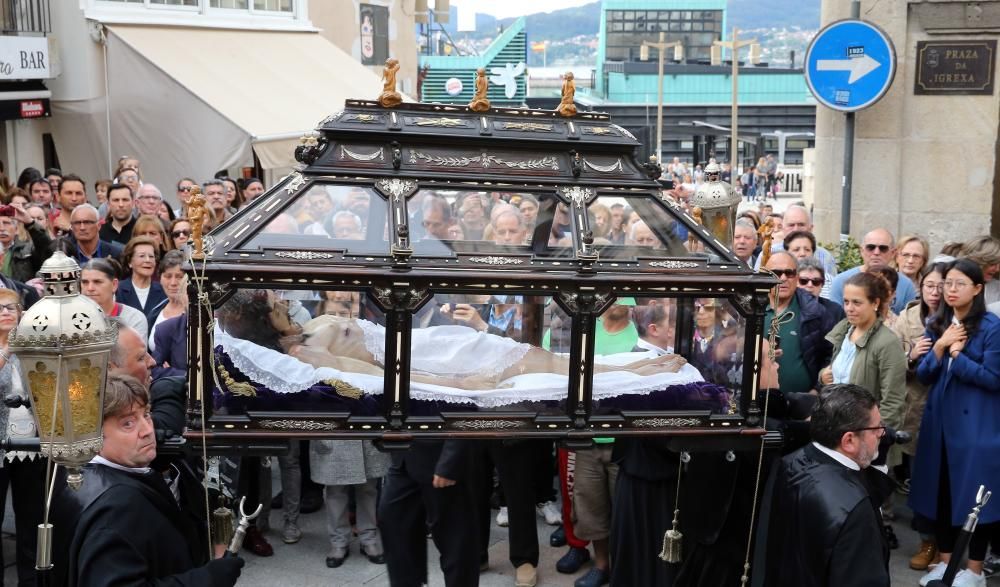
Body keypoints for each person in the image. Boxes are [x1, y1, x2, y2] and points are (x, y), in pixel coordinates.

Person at [50, 374, 245, 586]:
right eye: (128, 424)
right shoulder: (117, 507)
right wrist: (207, 579)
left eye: (147, 414)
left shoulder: (77, 474)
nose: (147, 430)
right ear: (92, 435)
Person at [910, 258, 1000, 587]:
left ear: (977, 289)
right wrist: (940, 347)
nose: (951, 290)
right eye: (947, 283)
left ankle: (974, 570)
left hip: (977, 426)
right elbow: (923, 375)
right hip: (940, 425)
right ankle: (946, 563)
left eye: (960, 283)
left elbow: (994, 378)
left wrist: (959, 357)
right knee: (941, 493)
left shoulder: (992, 327)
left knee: (976, 499)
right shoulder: (938, 323)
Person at [763, 384, 892, 586]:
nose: (882, 434)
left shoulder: (789, 463)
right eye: (876, 428)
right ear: (849, 440)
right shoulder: (856, 508)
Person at [890, 262, 947, 571]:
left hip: (948, 410)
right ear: (920, 288)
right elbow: (893, 363)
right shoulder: (907, 318)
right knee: (920, 480)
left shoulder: (956, 321)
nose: (935, 293)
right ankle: (927, 541)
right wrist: (910, 356)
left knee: (945, 482)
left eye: (941, 286)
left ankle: (945, 545)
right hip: (916, 409)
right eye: (929, 286)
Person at [820, 271, 907, 431]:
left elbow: (893, 400)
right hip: (836, 425)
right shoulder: (843, 331)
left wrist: (877, 435)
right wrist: (823, 376)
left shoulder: (888, 342)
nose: (849, 308)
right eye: (846, 302)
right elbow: (837, 375)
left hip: (864, 432)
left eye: (857, 303)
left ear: (875, 303)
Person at [0, 288, 45, 585]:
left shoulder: (33, 345)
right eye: (0, 308)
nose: (6, 312)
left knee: (32, 519)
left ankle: (32, 581)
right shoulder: (9, 350)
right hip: (1, 444)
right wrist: (7, 350)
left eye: (11, 307)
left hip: (32, 442)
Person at [310, 439, 391, 567]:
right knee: (335, 489)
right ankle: (338, 541)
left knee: (368, 488)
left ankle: (369, 539)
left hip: (366, 430)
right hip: (336, 430)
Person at [764, 252, 836, 395]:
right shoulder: (749, 309)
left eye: (789, 273)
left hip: (802, 407)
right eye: (776, 273)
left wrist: (817, 390)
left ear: (796, 277)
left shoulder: (816, 313)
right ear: (765, 276)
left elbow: (832, 355)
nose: (783, 278)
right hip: (755, 404)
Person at [830, 228, 917, 314]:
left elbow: (907, 323)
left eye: (883, 248)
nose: (876, 252)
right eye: (870, 247)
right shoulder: (841, 281)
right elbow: (836, 318)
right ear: (862, 251)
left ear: (893, 253)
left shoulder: (906, 285)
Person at [81, 257, 149, 340]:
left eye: (97, 282)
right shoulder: (70, 318)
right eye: (85, 282)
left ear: (114, 285)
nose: (90, 288)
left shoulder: (134, 318)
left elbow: (135, 353)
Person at [0, 201, 51, 284]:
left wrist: (30, 223)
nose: (1, 228)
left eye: (6, 223)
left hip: (22, 295)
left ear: (16, 229)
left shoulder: (27, 251)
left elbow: (47, 249)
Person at [58, 203, 124, 266]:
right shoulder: (64, 254)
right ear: (71, 226)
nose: (82, 227)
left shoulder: (116, 253)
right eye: (77, 223)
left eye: (87, 222)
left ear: (98, 226)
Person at [117, 236, 166, 318]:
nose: (148, 260)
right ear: (129, 262)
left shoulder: (164, 291)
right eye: (142, 256)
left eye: (151, 256)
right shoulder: (117, 290)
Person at [797, 256, 845, 323]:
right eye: (804, 281)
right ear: (795, 283)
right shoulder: (783, 309)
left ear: (822, 284)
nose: (810, 285)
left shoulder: (836, 311)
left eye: (816, 281)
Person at [959, 235, 1000, 305]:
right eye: (992, 264)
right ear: (977, 261)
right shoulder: (951, 286)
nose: (997, 269)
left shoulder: (997, 288)